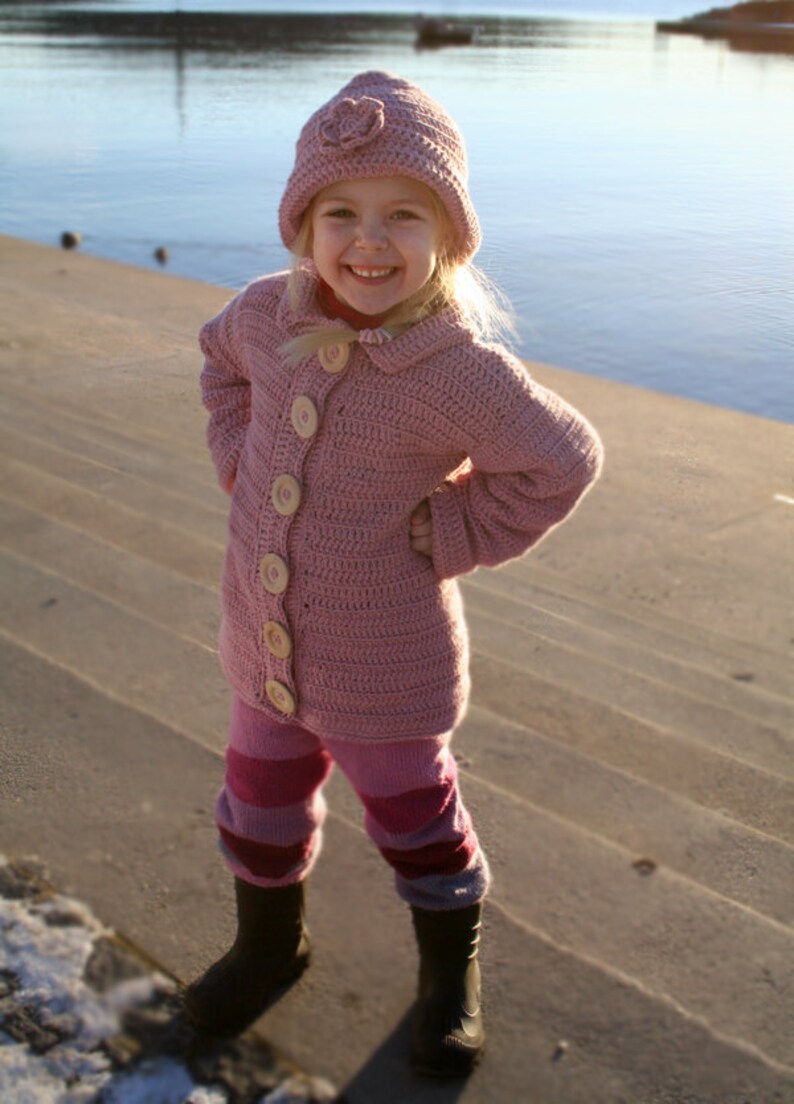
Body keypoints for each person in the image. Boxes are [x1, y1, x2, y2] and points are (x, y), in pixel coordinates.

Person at [183, 70, 603, 1077]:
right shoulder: (261, 317)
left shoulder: (454, 370)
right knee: (260, 804)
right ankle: (266, 944)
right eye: (341, 212)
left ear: (448, 240)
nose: (368, 240)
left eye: (402, 215)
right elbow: (216, 365)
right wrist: (239, 456)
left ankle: (446, 974)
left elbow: (562, 459)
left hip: (385, 673)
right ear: (304, 227)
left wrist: (454, 529)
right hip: (261, 648)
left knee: (417, 825)